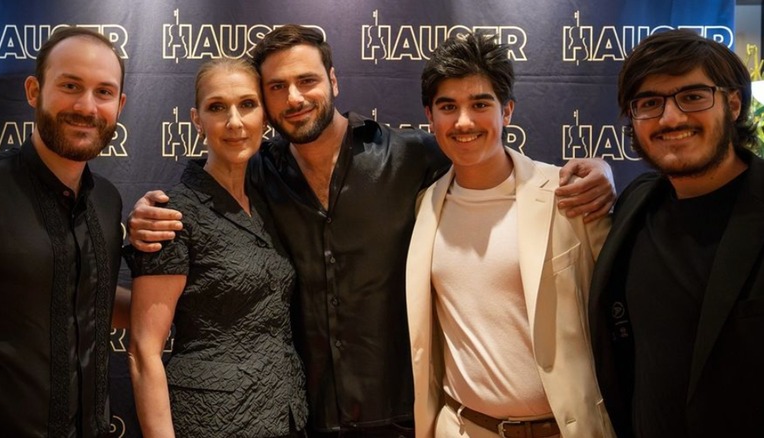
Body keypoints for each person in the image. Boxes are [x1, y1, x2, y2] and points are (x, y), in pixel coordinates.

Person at [128, 25, 616, 436]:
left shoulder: (413, 158)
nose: (294, 97)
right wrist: (151, 210)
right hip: (302, 420)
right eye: (276, 87)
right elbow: (204, 194)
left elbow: (490, 167)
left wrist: (601, 169)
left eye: (307, 80)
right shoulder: (255, 175)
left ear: (334, 81)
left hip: (408, 420)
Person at [406, 32, 615, 438]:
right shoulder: (424, 206)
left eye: (480, 104)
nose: (464, 121)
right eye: (448, 107)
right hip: (464, 428)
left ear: (508, 111)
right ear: (430, 117)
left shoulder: (566, 193)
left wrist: (605, 172)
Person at [589, 29, 764, 438]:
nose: (671, 118)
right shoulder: (636, 204)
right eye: (650, 103)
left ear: (733, 104)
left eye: (693, 96)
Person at [127, 57, 308, 438]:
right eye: (217, 107)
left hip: (285, 413)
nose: (235, 122)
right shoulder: (172, 214)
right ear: (197, 120)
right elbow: (145, 352)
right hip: (209, 420)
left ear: (264, 116)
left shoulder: (271, 202)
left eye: (247, 104)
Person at [0, 27, 128, 437]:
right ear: (34, 91)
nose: (87, 106)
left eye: (103, 92)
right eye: (70, 85)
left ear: (119, 104)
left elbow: (83, 293)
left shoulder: (108, 201)